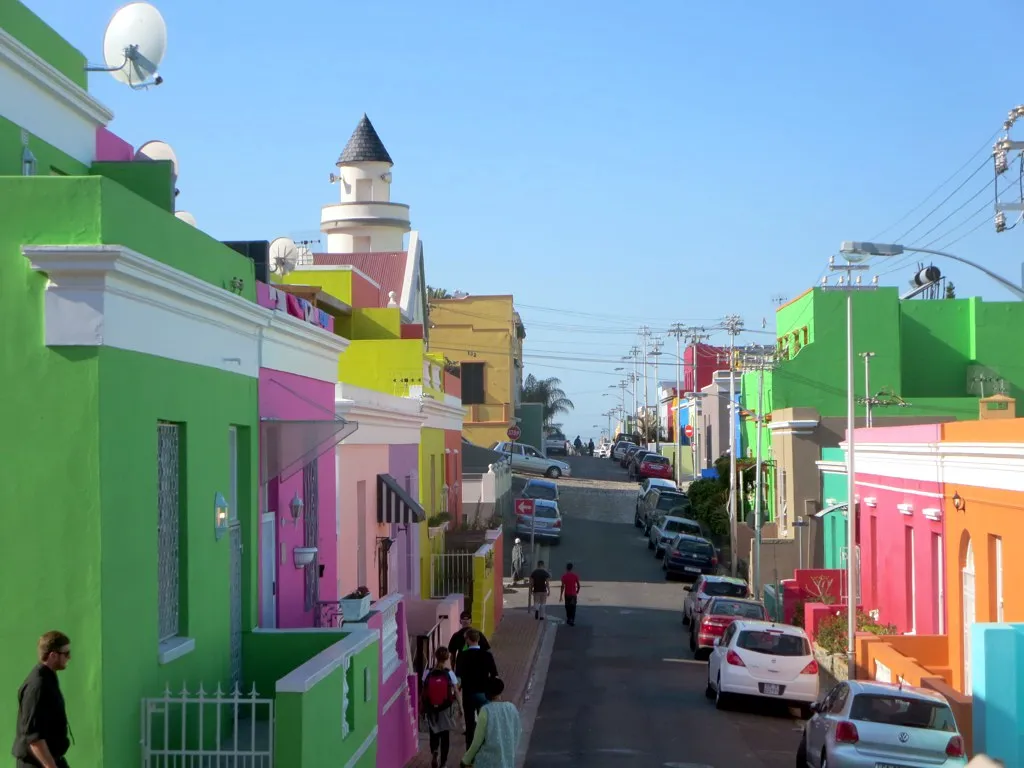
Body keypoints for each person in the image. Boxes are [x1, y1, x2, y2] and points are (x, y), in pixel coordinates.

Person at [12, 631, 73, 768]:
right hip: (36, 764)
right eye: (66, 653)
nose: (69, 657)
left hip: (52, 759)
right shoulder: (38, 685)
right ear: (53, 655)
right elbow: (33, 737)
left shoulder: (48, 679)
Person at [460, 677, 522, 768]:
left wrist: (465, 760)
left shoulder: (485, 711)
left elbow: (477, 741)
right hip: (507, 760)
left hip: (487, 762)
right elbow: (517, 732)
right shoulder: (511, 708)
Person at [454, 629, 498, 749]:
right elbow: (495, 675)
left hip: (468, 694)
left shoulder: (463, 656)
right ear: (478, 640)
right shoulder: (487, 655)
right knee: (484, 724)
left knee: (470, 725)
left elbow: (458, 678)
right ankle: (484, 749)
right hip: (484, 693)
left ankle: (470, 754)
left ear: (468, 640)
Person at [421, 647, 459, 768]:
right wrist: (461, 707)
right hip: (445, 708)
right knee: (445, 735)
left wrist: (422, 707)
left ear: (435, 657)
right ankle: (443, 763)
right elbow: (456, 692)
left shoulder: (427, 672)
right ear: (447, 657)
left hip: (431, 708)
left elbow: (424, 690)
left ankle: (434, 751)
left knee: (434, 732)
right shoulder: (449, 673)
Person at [559, 562, 581, 626]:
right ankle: (572, 620)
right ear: (572, 568)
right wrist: (577, 591)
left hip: (567, 594)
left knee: (567, 607)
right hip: (573, 594)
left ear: (566, 568)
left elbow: (562, 586)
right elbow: (579, 585)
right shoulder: (575, 576)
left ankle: (569, 618)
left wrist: (560, 595)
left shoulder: (564, 576)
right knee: (573, 607)